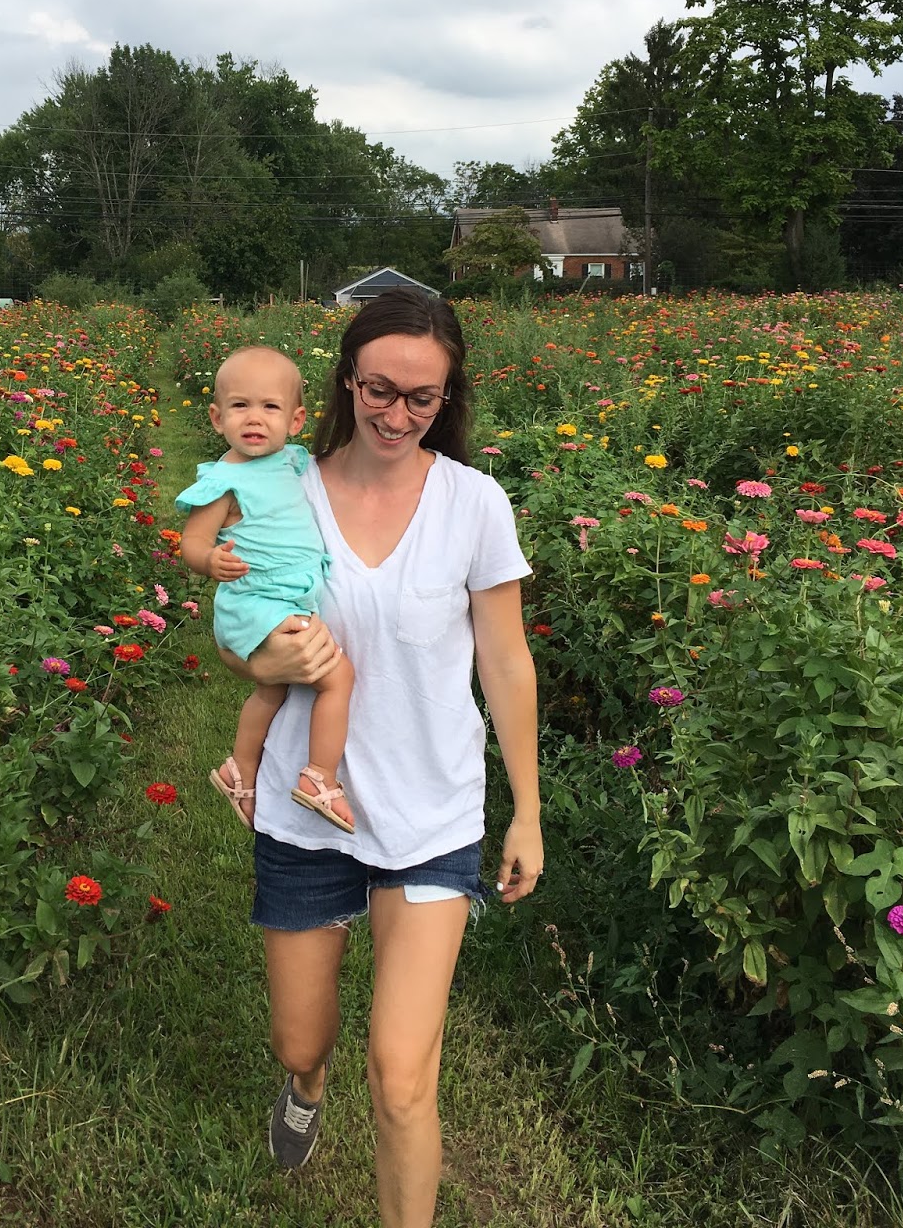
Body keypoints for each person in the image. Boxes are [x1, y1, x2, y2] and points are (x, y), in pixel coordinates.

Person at [216, 291, 542, 1228]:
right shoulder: (282, 490)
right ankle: (304, 1086)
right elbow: (237, 634)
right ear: (346, 382)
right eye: (380, 390)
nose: (398, 415)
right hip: (303, 805)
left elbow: (505, 659)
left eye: (423, 398)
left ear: (449, 399)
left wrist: (526, 809)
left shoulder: (474, 503)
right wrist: (258, 659)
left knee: (402, 1078)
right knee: (300, 1037)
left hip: (432, 811)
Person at [177, 346, 357, 831]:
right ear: (217, 418)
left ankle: (238, 768)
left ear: (296, 420)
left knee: (270, 690)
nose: (254, 418)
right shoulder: (224, 482)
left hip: (285, 597)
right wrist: (209, 560)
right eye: (239, 406)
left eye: (270, 407)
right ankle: (320, 776)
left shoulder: (293, 463)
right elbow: (190, 543)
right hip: (256, 599)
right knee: (338, 677)